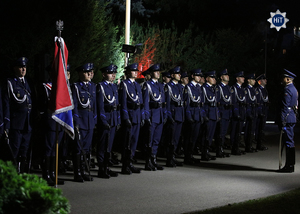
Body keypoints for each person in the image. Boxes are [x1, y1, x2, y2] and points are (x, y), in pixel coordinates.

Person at [3, 57, 33, 173]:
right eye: (21, 67)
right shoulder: (10, 83)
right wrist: (6, 123)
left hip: (27, 123)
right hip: (16, 123)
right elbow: (6, 104)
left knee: (24, 150)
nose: (23, 69)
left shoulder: (28, 83)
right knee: (14, 150)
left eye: (24, 67)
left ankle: (23, 173)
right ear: (15, 68)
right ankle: (13, 174)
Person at [39, 65, 65, 185]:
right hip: (50, 121)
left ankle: (53, 174)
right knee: (49, 149)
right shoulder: (45, 87)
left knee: (56, 149)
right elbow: (43, 105)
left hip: (59, 122)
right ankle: (47, 174)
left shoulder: (61, 87)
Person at [71, 63, 97, 182]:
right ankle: (78, 173)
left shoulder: (92, 86)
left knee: (86, 148)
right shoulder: (76, 86)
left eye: (90, 72)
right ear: (81, 73)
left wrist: (94, 119)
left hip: (89, 120)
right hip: (80, 120)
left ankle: (84, 170)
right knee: (78, 148)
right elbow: (75, 105)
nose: (89, 74)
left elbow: (94, 105)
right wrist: (75, 120)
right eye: (87, 72)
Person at [119, 63, 144, 174]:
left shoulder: (137, 85)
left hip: (137, 116)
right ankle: (125, 164)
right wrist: (125, 118)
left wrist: (142, 116)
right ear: (128, 72)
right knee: (127, 142)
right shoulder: (124, 84)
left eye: (136, 71)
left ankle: (130, 162)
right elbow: (123, 103)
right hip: (130, 115)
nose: (135, 72)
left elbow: (140, 103)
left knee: (134, 141)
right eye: (133, 71)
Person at [96, 64, 120, 178]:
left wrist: (118, 119)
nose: (113, 75)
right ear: (104, 74)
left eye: (114, 73)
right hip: (106, 118)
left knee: (109, 145)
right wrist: (103, 120)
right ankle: (101, 168)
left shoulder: (114, 86)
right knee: (103, 144)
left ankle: (106, 166)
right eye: (111, 73)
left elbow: (117, 104)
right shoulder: (100, 86)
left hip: (113, 118)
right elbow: (100, 106)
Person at [142, 63, 166, 171]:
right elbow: (146, 102)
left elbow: (163, 102)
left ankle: (154, 160)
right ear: (151, 73)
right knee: (149, 140)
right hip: (152, 115)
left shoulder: (160, 85)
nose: (158, 73)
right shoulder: (148, 85)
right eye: (156, 72)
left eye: (159, 72)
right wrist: (147, 116)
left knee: (156, 140)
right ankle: (148, 162)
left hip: (159, 115)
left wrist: (164, 114)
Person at [278, 69, 298, 173]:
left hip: (287, 118)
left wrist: (282, 120)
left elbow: (285, 106)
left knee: (288, 142)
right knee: (290, 141)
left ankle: (289, 166)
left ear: (287, 79)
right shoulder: (294, 89)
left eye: (283, 78)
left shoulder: (288, 90)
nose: (282, 80)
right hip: (292, 117)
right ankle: (290, 165)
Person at [183, 69, 205, 165]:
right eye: (197, 75)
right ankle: (187, 156)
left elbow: (201, 103)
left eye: (200, 76)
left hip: (197, 114)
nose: (199, 77)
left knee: (195, 137)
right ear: (192, 76)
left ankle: (191, 155)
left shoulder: (198, 87)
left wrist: (202, 115)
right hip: (191, 114)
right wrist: (188, 116)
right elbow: (186, 103)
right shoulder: (188, 87)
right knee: (189, 137)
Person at [164, 66, 184, 167]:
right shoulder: (168, 87)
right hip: (173, 114)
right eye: (177, 74)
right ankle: (169, 158)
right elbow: (167, 103)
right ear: (172, 75)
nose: (180, 75)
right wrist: (168, 115)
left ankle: (173, 157)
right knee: (170, 139)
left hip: (179, 114)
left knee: (176, 138)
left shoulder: (180, 87)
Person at [201, 71, 218, 161]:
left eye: (214, 78)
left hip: (213, 114)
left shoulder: (213, 88)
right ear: (207, 79)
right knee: (206, 135)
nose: (214, 79)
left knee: (211, 136)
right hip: (208, 114)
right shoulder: (204, 88)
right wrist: (204, 115)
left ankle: (207, 151)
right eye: (212, 78)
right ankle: (204, 153)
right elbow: (203, 103)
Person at [215, 69, 231, 158]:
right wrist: (218, 114)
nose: (227, 76)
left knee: (224, 132)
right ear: (221, 77)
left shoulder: (227, 88)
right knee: (220, 133)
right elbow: (217, 102)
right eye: (225, 75)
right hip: (222, 112)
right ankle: (219, 150)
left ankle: (221, 148)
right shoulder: (219, 88)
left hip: (227, 112)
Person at [230, 71, 246, 155]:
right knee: (234, 131)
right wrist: (236, 113)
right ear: (237, 78)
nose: (243, 78)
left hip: (241, 111)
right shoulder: (234, 88)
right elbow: (234, 102)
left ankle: (237, 147)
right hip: (236, 112)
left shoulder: (242, 89)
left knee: (239, 131)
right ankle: (233, 148)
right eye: (241, 77)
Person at [244, 73, 258, 153]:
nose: (254, 81)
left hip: (254, 110)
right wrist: (249, 113)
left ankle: (250, 145)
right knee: (248, 130)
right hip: (250, 110)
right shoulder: (247, 90)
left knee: (252, 130)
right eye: (252, 80)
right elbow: (247, 102)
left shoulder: (253, 89)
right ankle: (247, 146)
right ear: (248, 80)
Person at [255, 74, 269, 151]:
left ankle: (260, 143)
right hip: (260, 111)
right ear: (260, 81)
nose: (265, 80)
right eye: (264, 79)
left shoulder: (264, 90)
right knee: (259, 128)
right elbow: (258, 102)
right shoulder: (258, 90)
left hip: (264, 110)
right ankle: (258, 144)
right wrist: (260, 111)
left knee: (262, 128)